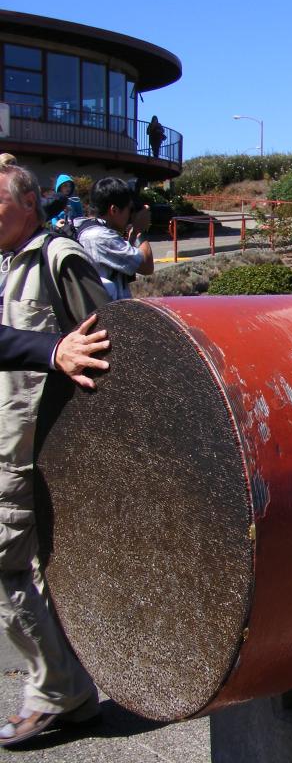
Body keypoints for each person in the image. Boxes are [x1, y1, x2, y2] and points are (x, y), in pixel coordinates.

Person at [0, 163, 111, 747]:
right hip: (8, 440)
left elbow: (110, 348)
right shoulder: (5, 262)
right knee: (33, 569)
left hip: (30, 450)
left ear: (29, 203)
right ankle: (70, 691)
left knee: (7, 567)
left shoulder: (58, 258)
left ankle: (57, 692)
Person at [76, 177, 154, 300]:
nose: (130, 214)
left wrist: (133, 234)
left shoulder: (85, 228)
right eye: (129, 209)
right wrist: (139, 230)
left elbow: (127, 259)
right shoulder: (101, 237)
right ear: (114, 210)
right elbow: (146, 266)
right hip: (109, 310)